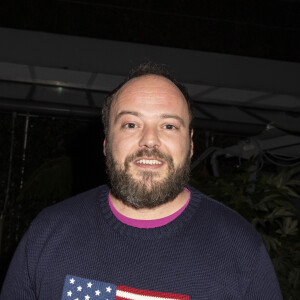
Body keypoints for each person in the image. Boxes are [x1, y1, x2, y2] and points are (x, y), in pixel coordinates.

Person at [0, 63, 282, 299]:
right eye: (131, 124)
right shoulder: (47, 233)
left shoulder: (240, 247)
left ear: (191, 144)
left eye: (169, 126)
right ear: (106, 142)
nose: (149, 140)